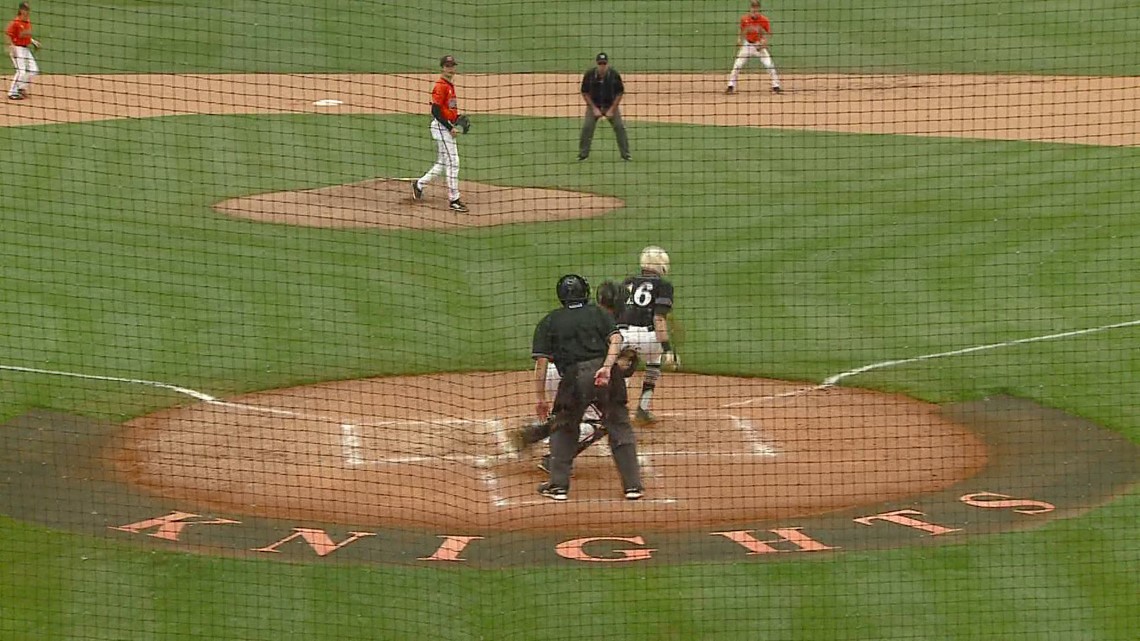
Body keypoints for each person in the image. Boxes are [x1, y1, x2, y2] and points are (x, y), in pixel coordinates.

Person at [528, 274, 643, 501]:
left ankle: (558, 487)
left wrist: (540, 398)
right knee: (619, 424)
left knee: (564, 427)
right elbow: (616, 340)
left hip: (574, 378)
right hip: (607, 375)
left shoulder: (549, 321)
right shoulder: (599, 313)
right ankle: (633, 487)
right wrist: (607, 367)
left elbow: (541, 364)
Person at [618, 246, 679, 427]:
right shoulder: (664, 286)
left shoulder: (628, 282)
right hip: (649, 338)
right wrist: (668, 350)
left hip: (623, 335)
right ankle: (642, 410)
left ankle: (614, 409)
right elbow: (659, 319)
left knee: (623, 369)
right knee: (654, 362)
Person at [411, 55, 468, 212]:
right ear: (442, 67)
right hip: (441, 129)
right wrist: (450, 127)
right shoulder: (441, 86)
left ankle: (419, 184)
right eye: (448, 66)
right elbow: (435, 111)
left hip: (445, 127)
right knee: (453, 161)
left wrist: (457, 118)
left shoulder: (450, 85)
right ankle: (454, 199)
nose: (451, 68)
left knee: (443, 162)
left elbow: (446, 109)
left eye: (452, 66)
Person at [578, 52, 630, 161]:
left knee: (620, 127)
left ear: (607, 64)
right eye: (600, 63)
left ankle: (626, 155)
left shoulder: (614, 75)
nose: (602, 66)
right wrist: (594, 108)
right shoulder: (590, 74)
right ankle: (583, 155)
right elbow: (585, 92)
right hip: (594, 105)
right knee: (587, 127)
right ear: (597, 64)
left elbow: (620, 92)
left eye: (604, 63)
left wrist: (612, 109)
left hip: (610, 105)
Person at [725, 0, 782, 95]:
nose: (754, 12)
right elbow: (742, 29)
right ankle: (730, 86)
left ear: (759, 10)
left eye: (756, 10)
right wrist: (739, 39)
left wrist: (763, 43)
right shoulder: (745, 19)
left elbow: (769, 33)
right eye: (753, 10)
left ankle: (776, 86)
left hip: (759, 45)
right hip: (747, 45)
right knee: (737, 65)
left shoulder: (764, 20)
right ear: (751, 9)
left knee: (769, 65)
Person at [6, 2, 39, 101]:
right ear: (21, 10)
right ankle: (12, 92)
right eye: (25, 10)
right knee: (21, 71)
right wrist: (11, 46)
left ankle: (21, 88)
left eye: (28, 10)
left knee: (34, 70)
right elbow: (8, 34)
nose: (27, 12)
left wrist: (33, 41)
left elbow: (25, 34)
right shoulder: (15, 22)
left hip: (26, 49)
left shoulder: (27, 21)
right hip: (17, 48)